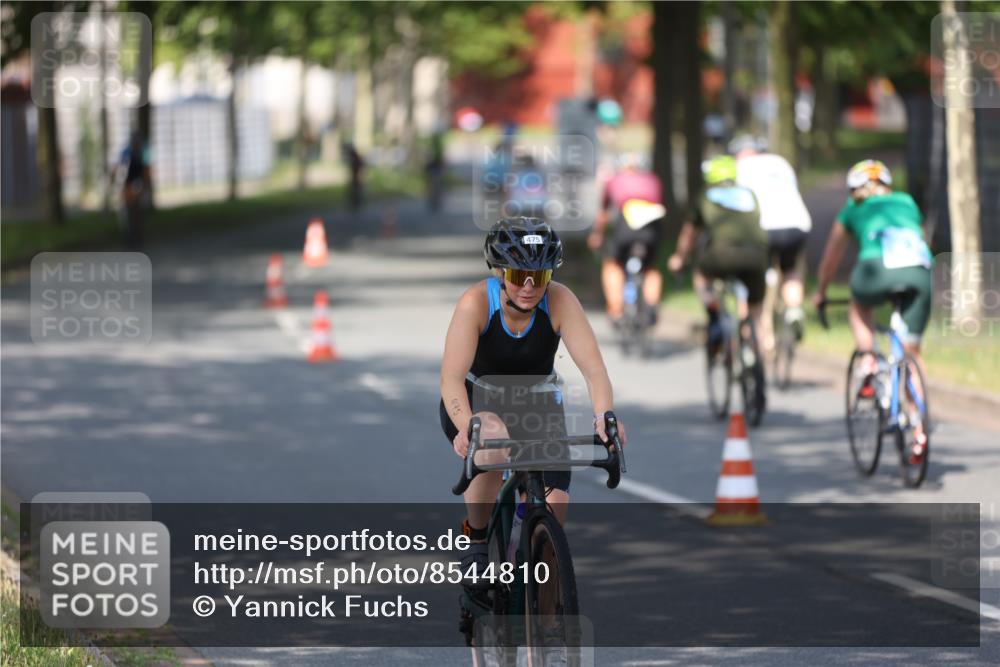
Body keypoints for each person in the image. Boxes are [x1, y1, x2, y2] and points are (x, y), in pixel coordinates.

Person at [440, 217, 626, 583]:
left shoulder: (560, 301)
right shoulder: (476, 302)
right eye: (518, 275)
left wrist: (605, 416)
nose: (528, 286)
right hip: (478, 398)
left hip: (536, 403)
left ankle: (536, 573)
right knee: (490, 441)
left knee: (554, 505)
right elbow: (450, 378)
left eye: (538, 277)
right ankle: (477, 541)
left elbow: (595, 372)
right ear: (499, 272)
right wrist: (467, 426)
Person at [812, 159, 932, 463]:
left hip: (875, 271)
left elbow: (829, 260)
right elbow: (917, 236)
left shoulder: (852, 209)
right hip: (919, 273)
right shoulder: (905, 201)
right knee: (912, 353)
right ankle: (919, 427)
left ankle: (867, 359)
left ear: (854, 190)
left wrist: (822, 292)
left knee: (858, 303)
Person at [667, 155, 769, 355]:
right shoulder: (749, 193)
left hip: (722, 254)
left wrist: (681, 257)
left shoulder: (706, 195)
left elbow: (690, 233)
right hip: (758, 254)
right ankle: (755, 351)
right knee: (755, 306)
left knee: (701, 275)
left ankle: (714, 317)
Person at [730, 135, 812, 347]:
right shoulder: (780, 163)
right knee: (790, 269)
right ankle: (793, 309)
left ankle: (757, 337)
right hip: (796, 224)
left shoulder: (739, 169)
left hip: (762, 228)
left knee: (752, 278)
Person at [588, 154, 665, 327]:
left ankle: (616, 310)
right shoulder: (653, 180)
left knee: (613, 264)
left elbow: (603, 214)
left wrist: (597, 235)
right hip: (652, 228)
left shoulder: (615, 180)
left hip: (626, 227)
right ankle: (652, 304)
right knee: (650, 267)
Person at [114, 131, 152, 250]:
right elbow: (120, 170)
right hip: (127, 184)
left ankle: (137, 235)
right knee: (127, 211)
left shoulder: (145, 152)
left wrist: (146, 187)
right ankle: (128, 235)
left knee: (138, 211)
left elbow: (146, 171)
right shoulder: (126, 152)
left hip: (138, 183)